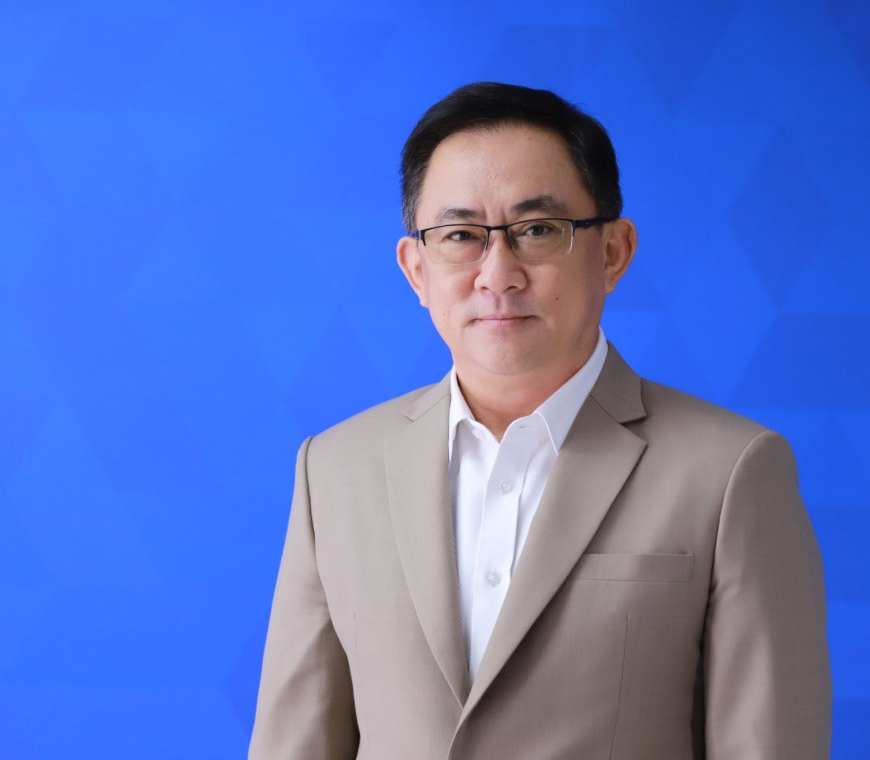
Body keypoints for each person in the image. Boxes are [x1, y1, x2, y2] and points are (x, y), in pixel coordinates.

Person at [249, 82, 832, 760]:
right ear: (416, 269)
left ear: (612, 252)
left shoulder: (730, 471)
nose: (498, 274)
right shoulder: (334, 469)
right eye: (460, 236)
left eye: (537, 231)